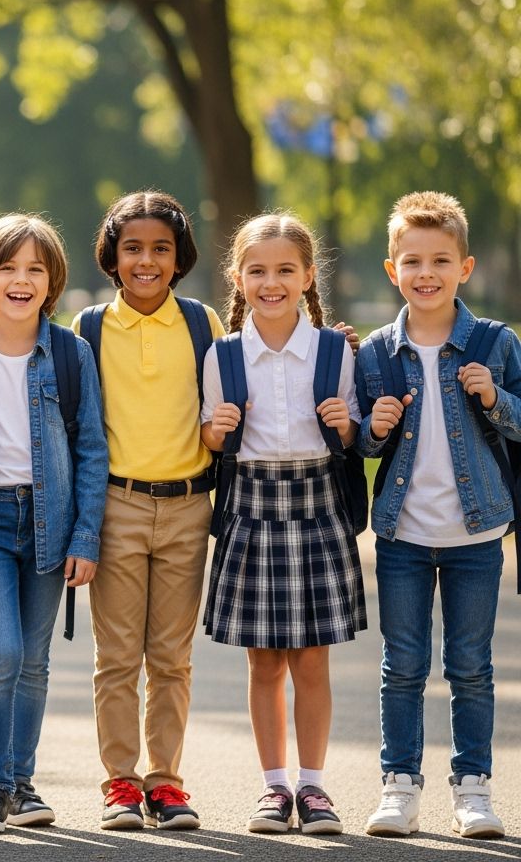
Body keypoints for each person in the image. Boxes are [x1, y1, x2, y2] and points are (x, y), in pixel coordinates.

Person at [356, 192, 521, 840]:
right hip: (402, 534)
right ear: (392, 269)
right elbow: (363, 444)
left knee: (471, 666)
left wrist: (495, 396)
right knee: (402, 665)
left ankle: (473, 789)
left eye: (440, 261)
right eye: (413, 261)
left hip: (475, 534)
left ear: (465, 267)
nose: (426, 273)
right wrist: (373, 426)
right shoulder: (376, 351)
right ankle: (399, 787)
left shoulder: (494, 342)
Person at [201, 212, 366, 835]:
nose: (271, 282)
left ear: (306, 277)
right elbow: (211, 438)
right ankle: (274, 788)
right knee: (264, 664)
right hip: (251, 505)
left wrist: (345, 425)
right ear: (239, 278)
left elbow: (352, 434)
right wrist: (214, 431)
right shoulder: (222, 356)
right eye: (258, 270)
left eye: (285, 270)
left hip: (317, 501)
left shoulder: (333, 350)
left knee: (312, 661)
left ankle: (315, 788)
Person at [73, 191, 222, 831]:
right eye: (133, 248)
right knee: (117, 657)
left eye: (160, 248)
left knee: (171, 658)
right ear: (113, 255)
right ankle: (121, 784)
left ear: (178, 257)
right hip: (117, 505)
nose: (146, 260)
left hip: (189, 505)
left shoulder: (202, 322)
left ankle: (165, 781)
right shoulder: (89, 328)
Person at [0, 214, 107, 833]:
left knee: (36, 660)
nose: (21, 280)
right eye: (8, 267)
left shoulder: (70, 353)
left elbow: (93, 449)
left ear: (52, 282)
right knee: (3, 651)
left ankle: (23, 783)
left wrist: (85, 535)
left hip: (50, 521)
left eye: (35, 269)